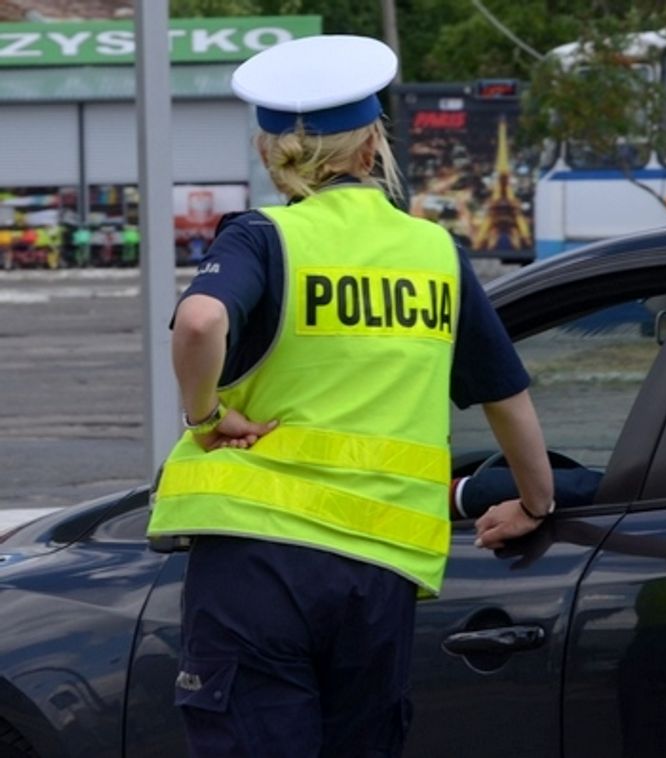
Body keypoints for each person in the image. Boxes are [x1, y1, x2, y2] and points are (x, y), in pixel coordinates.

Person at [146, 34, 554, 757]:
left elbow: (201, 320)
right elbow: (506, 395)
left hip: (257, 562)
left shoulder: (262, 237)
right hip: (380, 573)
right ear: (372, 152)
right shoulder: (436, 254)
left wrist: (204, 416)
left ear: (272, 154)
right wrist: (534, 503)